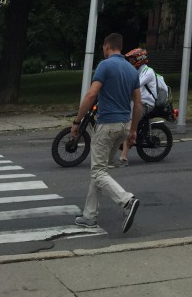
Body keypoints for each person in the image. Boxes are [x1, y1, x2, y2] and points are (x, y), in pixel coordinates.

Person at [71, 32, 141, 233]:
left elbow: (92, 94)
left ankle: (126, 200)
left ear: (107, 47)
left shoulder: (105, 65)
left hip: (107, 125)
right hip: (124, 126)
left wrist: (77, 121)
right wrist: (133, 130)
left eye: (103, 48)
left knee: (98, 171)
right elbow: (138, 104)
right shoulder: (131, 70)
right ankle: (89, 216)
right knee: (100, 169)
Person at [117, 48, 158, 166]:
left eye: (131, 60)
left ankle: (124, 157)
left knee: (129, 123)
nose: (129, 63)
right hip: (136, 102)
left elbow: (135, 84)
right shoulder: (137, 71)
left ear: (139, 60)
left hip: (146, 103)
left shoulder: (147, 71)